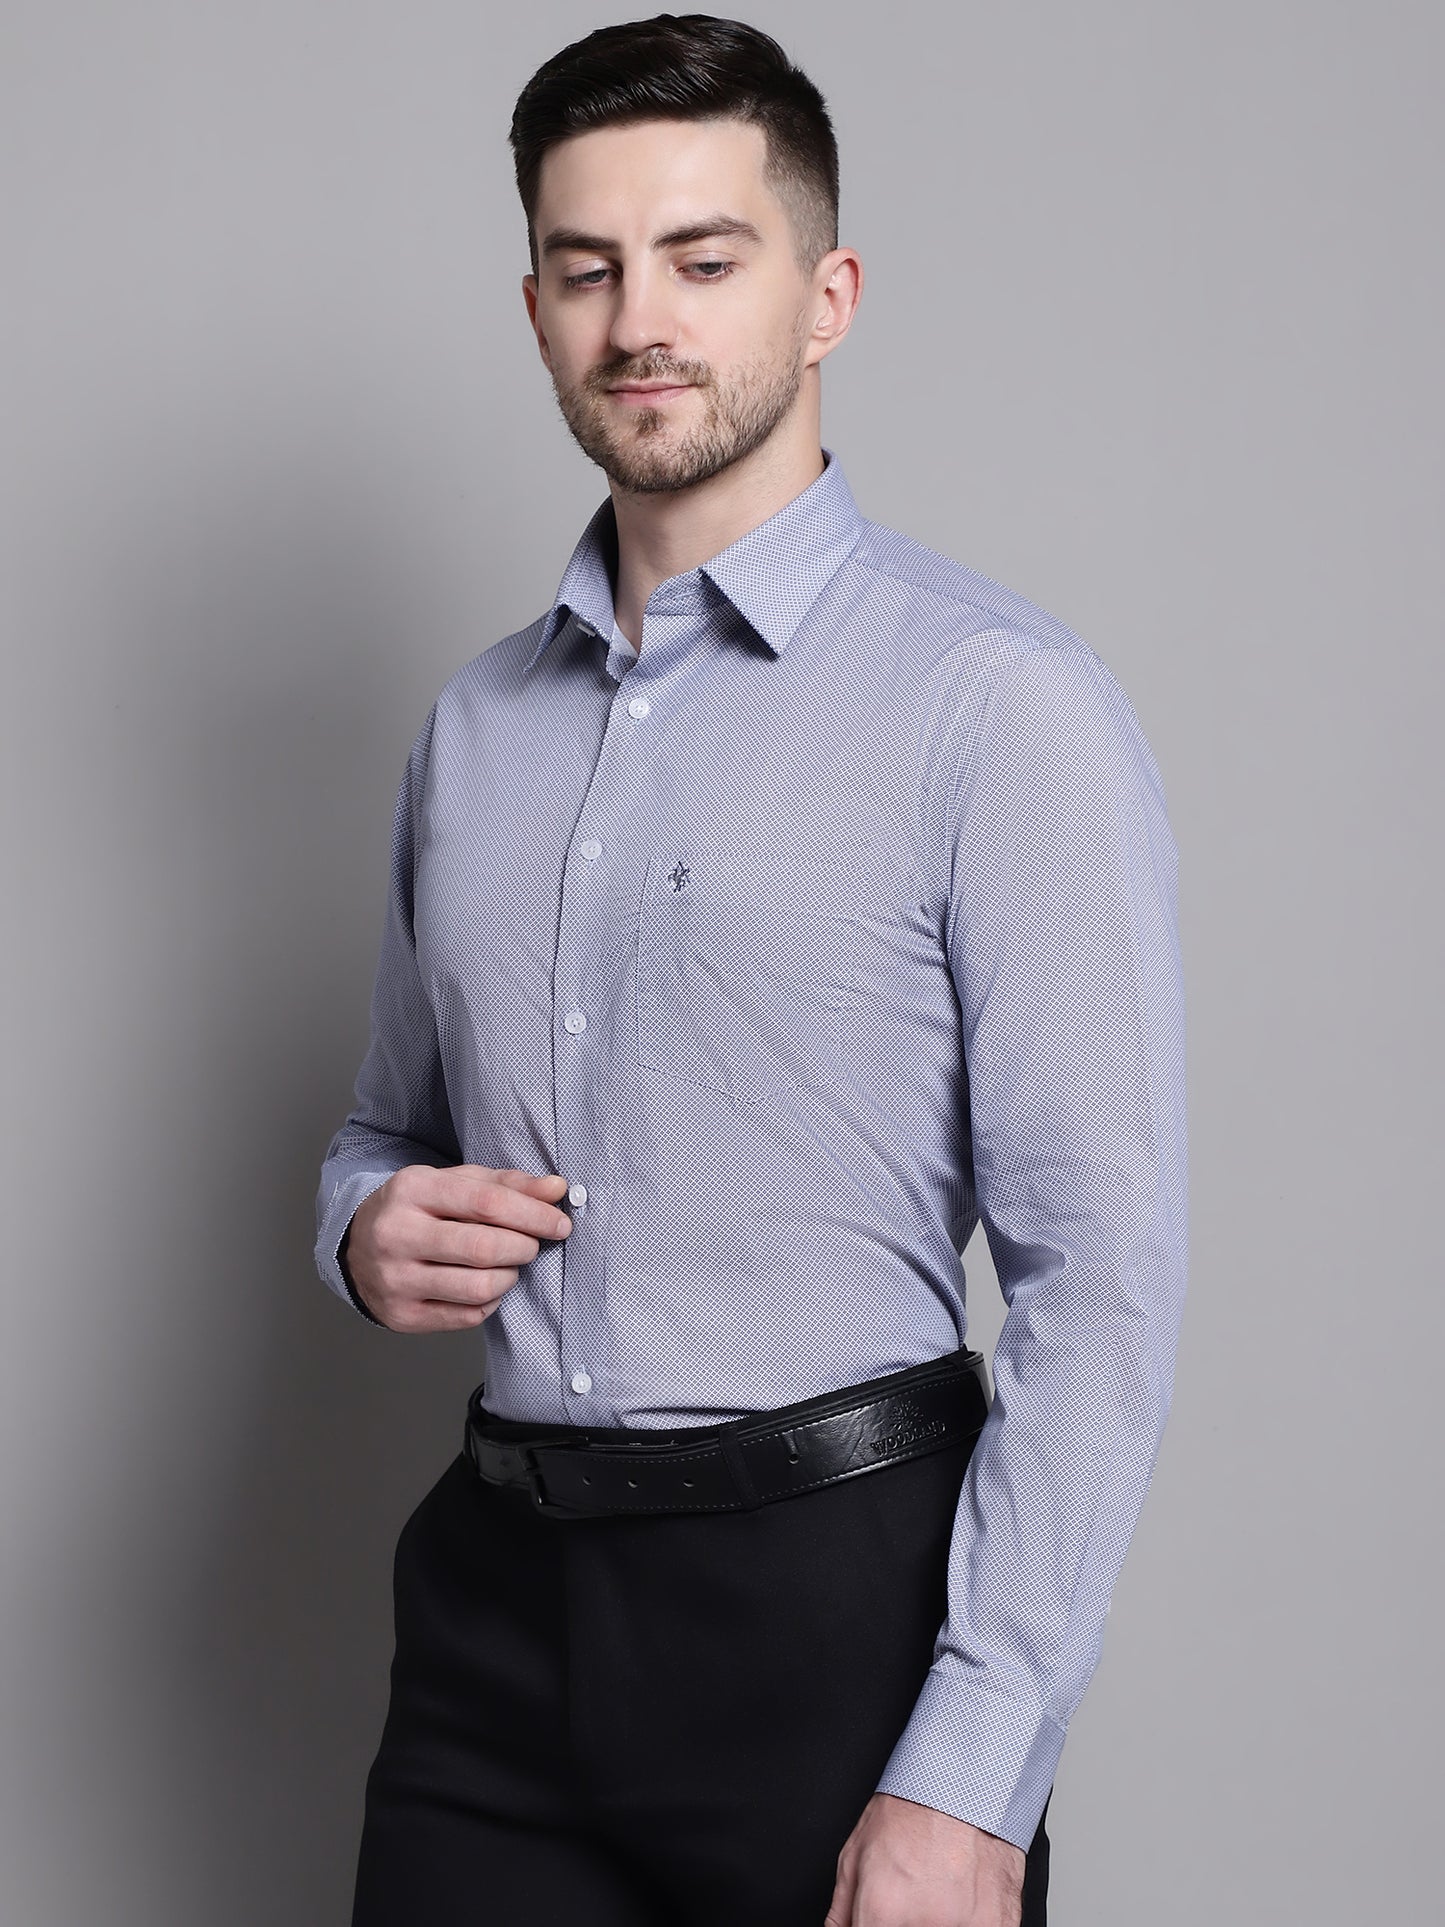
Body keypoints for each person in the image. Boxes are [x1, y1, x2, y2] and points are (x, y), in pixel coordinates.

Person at [314, 14, 1188, 1926]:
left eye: (703, 260)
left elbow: (1101, 1283)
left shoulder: (997, 706)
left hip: (837, 1622)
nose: (641, 320)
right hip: (491, 1615)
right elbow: (380, 1130)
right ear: (535, 309)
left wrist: (974, 1769)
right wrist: (363, 1229)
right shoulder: (470, 730)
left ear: (825, 296)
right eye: (587, 268)